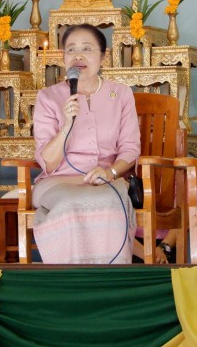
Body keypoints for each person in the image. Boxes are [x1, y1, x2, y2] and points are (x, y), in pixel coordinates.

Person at [31, 24, 141, 264]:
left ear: (103, 56)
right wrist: (67, 126)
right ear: (63, 57)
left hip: (104, 180)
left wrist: (110, 172)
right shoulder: (48, 97)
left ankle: (109, 277)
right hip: (58, 182)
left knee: (109, 202)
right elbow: (48, 163)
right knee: (71, 203)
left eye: (87, 49)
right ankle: (72, 278)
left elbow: (130, 148)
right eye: (71, 49)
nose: (78, 56)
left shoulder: (121, 94)